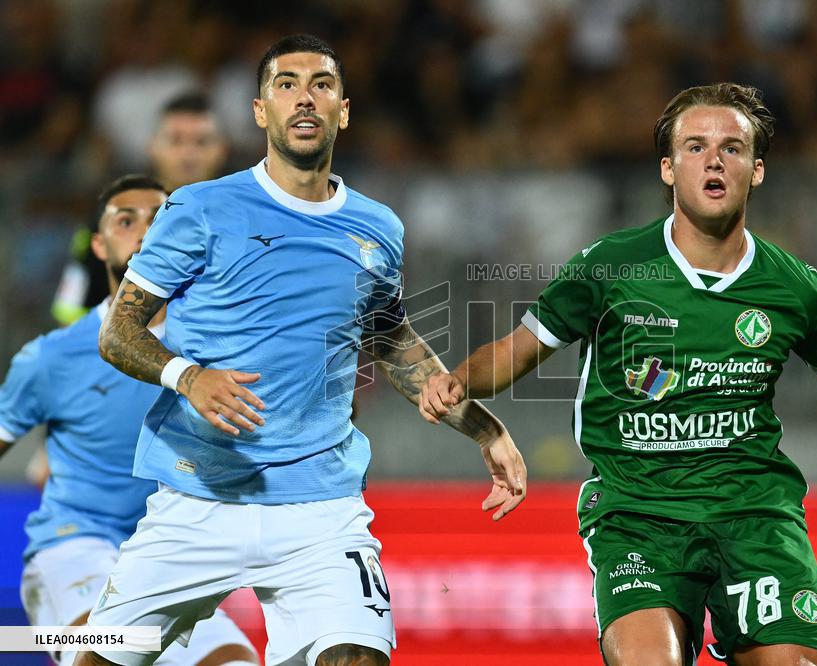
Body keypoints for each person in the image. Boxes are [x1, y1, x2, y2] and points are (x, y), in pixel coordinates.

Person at [420, 83, 817, 665]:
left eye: (732, 148)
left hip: (754, 514)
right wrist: (460, 378)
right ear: (667, 167)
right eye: (695, 146)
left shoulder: (797, 289)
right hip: (639, 516)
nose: (714, 159)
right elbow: (519, 350)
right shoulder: (610, 266)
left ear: (756, 172)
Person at [77, 34, 526, 666]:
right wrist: (189, 377)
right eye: (285, 84)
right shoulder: (201, 209)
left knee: (358, 657)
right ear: (260, 110)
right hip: (197, 499)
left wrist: (483, 428)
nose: (304, 98)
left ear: (344, 108)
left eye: (321, 84)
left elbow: (390, 338)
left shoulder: (379, 228)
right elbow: (118, 332)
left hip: (320, 507)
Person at [0, 175, 259, 666]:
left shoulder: (216, 351)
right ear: (98, 245)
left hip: (169, 554)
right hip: (74, 546)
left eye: (158, 220)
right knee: (107, 650)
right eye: (125, 221)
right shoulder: (51, 357)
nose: (143, 231)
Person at [51, 91, 228, 326]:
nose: (188, 154)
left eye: (201, 141)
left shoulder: (250, 219)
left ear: (223, 149)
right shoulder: (108, 221)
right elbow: (70, 310)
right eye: (175, 140)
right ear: (152, 147)